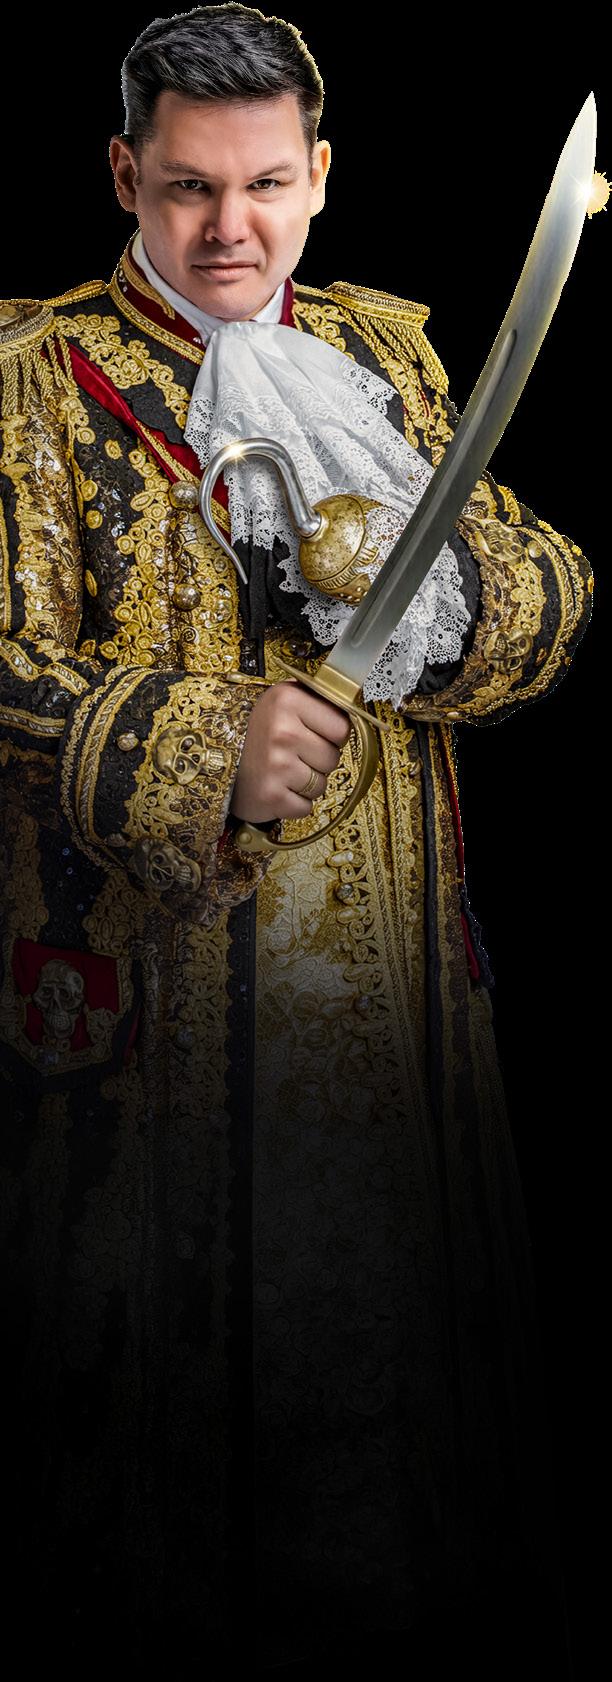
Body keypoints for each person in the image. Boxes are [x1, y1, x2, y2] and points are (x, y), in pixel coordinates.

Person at [0, 5, 593, 1674]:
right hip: (148, 1025)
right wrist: (195, 746)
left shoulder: (386, 362)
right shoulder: (32, 383)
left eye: (266, 185)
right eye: (188, 186)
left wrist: (445, 592)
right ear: (125, 175)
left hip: (392, 1005)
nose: (229, 229)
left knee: (407, 1459)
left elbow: (552, 586)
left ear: (319, 175)